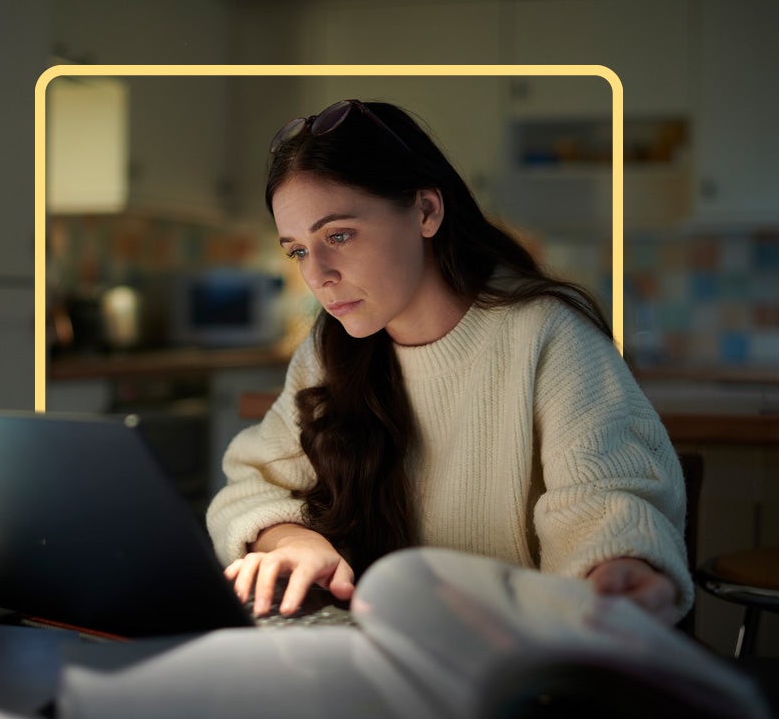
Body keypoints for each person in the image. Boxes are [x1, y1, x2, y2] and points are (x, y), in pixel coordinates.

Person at [205, 99, 691, 625]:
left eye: (338, 236)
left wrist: (617, 568)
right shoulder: (331, 350)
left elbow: (606, 498)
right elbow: (253, 483)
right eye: (298, 250)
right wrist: (290, 538)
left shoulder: (544, 334)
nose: (317, 273)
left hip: (523, 656)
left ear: (426, 211)